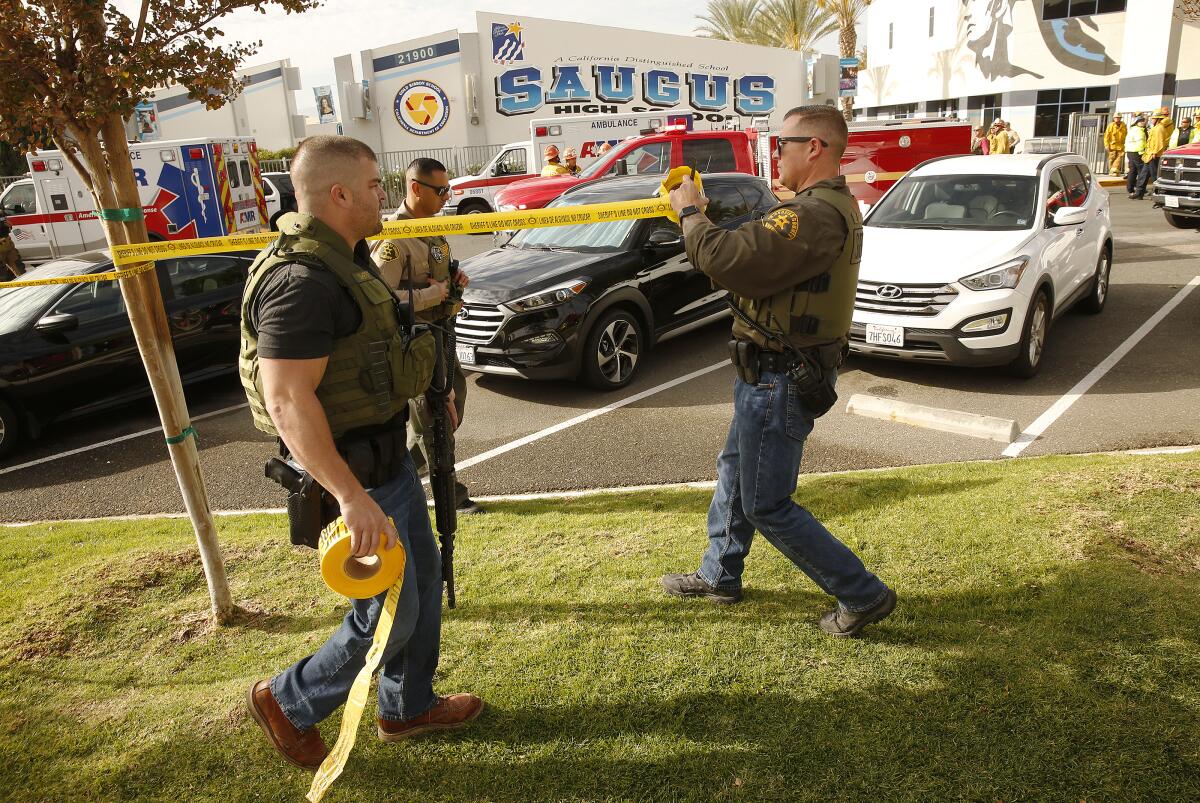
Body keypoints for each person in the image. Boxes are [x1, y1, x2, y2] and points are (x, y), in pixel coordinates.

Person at [241, 136, 483, 772]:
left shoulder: (346, 260)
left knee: (421, 586)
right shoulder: (301, 281)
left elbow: (375, 352)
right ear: (339, 194)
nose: (388, 195)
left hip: (387, 457)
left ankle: (406, 706)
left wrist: (433, 401)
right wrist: (351, 497)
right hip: (356, 475)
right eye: (377, 186)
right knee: (389, 618)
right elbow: (287, 398)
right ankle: (288, 701)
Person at [661, 105, 896, 637]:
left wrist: (691, 212)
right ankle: (720, 574)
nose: (777, 153)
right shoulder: (816, 206)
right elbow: (757, 248)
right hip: (770, 372)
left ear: (814, 147)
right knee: (735, 471)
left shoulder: (812, 215)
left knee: (766, 502)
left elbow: (725, 259)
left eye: (784, 142)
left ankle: (862, 594)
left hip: (779, 376)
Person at [372, 158, 480, 515]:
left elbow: (439, 272)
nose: (447, 197)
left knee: (451, 408)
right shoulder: (394, 239)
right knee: (434, 416)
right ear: (416, 188)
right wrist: (431, 295)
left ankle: (399, 471)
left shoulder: (431, 229)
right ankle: (450, 495)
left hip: (442, 334)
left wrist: (454, 281)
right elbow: (380, 297)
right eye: (441, 190)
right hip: (416, 341)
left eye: (448, 189)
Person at [1137, 110, 1175, 199]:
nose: (1151, 120)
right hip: (1149, 155)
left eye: (1153, 118)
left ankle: (1158, 193)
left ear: (1158, 119)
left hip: (1154, 155)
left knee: (1155, 176)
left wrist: (1155, 152)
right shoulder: (1155, 127)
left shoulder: (1159, 128)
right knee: (1144, 175)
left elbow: (1159, 143)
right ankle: (1139, 193)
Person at [1125, 114, 1148, 198]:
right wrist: (1142, 153)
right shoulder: (1139, 131)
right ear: (1137, 122)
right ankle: (1140, 189)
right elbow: (1141, 142)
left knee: (1132, 171)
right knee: (1141, 171)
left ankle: (1130, 188)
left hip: (1130, 152)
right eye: (1141, 121)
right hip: (1137, 152)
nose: (1143, 122)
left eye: (1143, 121)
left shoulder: (1132, 129)